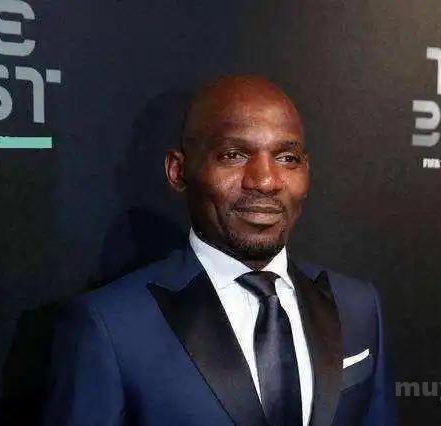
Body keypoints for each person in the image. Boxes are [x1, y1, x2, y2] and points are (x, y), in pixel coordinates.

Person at [44, 75, 395, 426]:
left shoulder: (357, 306)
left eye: (287, 158)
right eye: (233, 155)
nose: (265, 181)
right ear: (178, 171)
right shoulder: (109, 327)